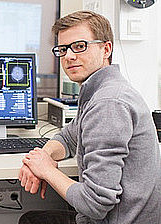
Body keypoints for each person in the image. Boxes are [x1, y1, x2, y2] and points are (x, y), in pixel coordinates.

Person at [18, 10, 161, 224]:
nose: (69, 56)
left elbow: (95, 204)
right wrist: (44, 155)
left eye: (79, 46)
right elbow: (69, 137)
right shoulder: (101, 91)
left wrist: (46, 170)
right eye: (63, 49)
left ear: (106, 49)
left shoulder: (108, 103)